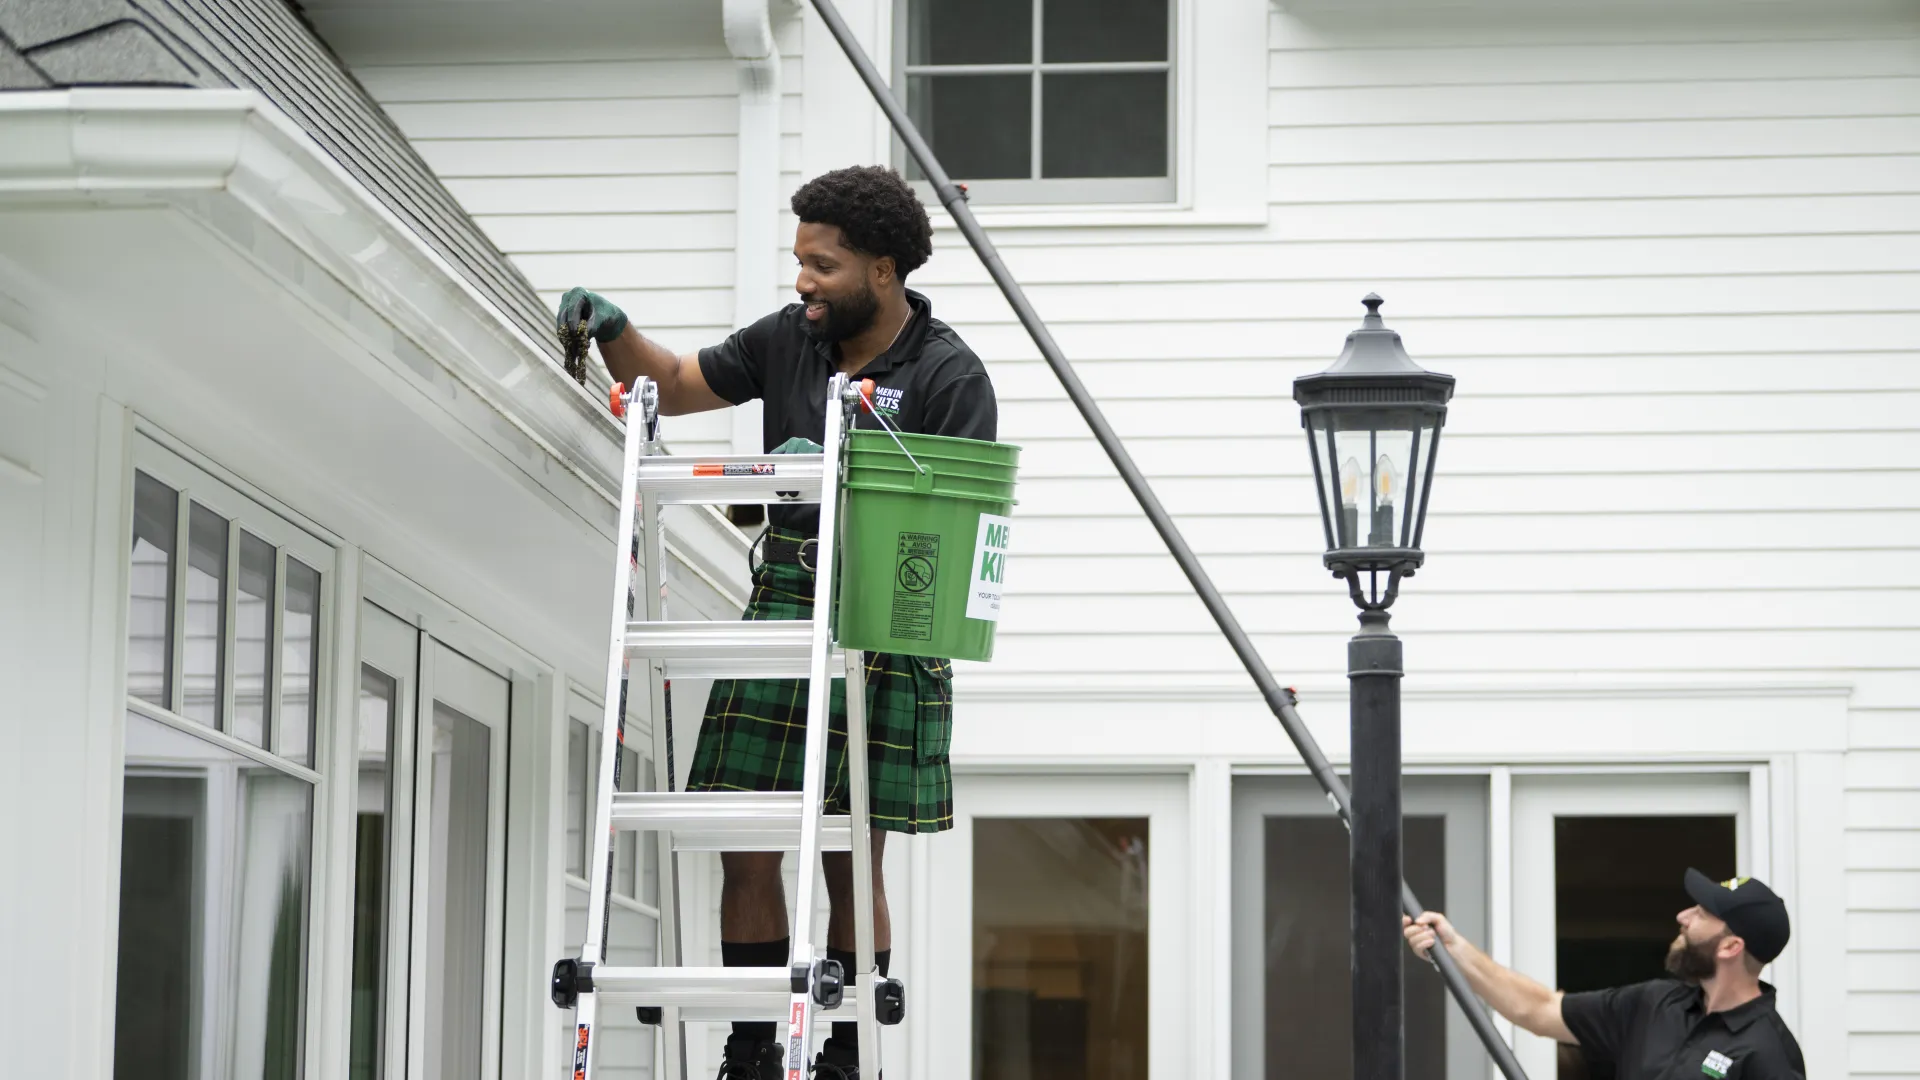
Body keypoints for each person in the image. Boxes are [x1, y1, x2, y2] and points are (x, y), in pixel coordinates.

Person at [556, 164, 995, 1080]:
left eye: (822, 265)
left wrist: (846, 477)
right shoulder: (787, 339)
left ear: (882, 270)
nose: (802, 282)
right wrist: (615, 330)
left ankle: (840, 1053)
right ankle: (752, 1049)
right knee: (746, 842)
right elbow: (672, 383)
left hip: (879, 618)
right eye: (798, 261)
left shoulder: (949, 375)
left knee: (846, 853)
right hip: (786, 600)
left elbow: (947, 537)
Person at [1403, 870, 1805, 1079]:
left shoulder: (1769, 1052)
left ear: (1731, 946)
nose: (1682, 917)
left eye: (1700, 914)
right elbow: (1539, 1009)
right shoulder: (1653, 1005)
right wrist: (1455, 950)